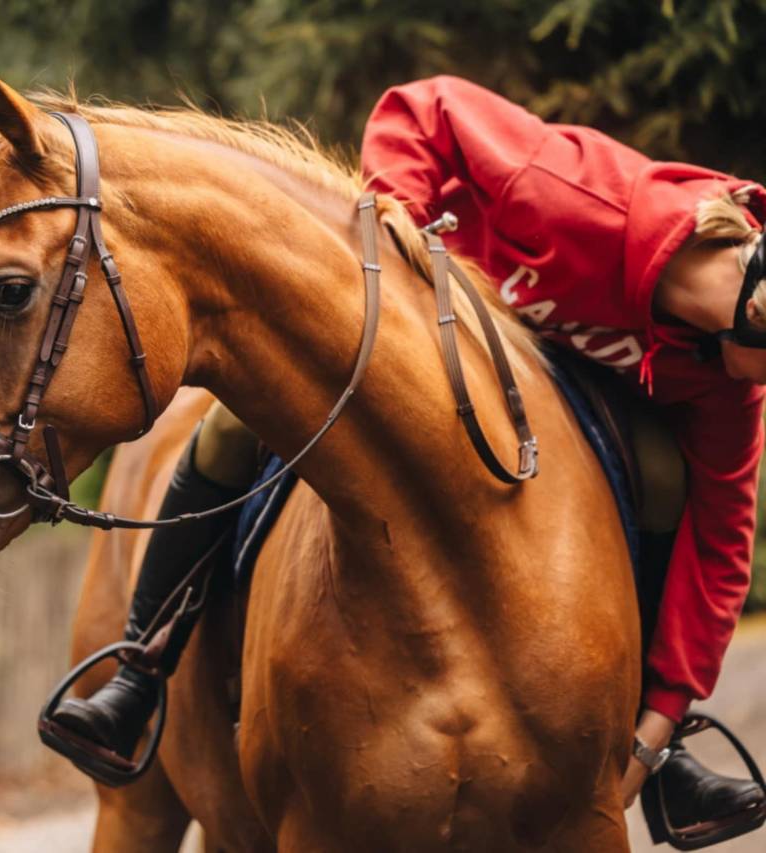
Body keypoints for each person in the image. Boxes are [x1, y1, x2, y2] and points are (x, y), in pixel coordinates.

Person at [52, 76, 766, 827]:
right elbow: (425, 109)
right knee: (229, 429)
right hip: (426, 306)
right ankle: (141, 666)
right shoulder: (580, 196)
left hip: (546, 373)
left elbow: (722, 552)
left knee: (663, 472)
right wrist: (399, 242)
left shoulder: (724, 385)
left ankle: (652, 741)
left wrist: (661, 715)